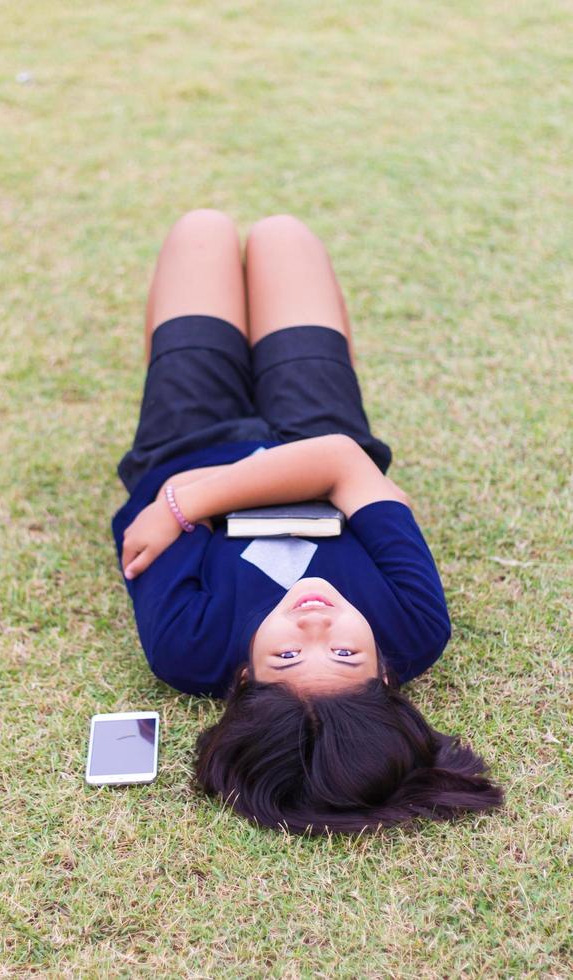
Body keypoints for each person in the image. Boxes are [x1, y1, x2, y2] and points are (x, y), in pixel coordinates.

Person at [111, 209, 502, 835]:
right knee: (282, 237)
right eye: (345, 652)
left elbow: (165, 499)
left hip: (189, 443)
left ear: (244, 678)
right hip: (319, 428)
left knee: (199, 231)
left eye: (288, 655)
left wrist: (187, 500)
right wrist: (192, 509)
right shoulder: (416, 628)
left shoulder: (188, 649)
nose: (315, 622)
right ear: (384, 672)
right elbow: (342, 458)